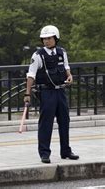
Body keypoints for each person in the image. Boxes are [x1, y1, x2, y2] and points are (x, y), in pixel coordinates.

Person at [23, 25, 79, 164]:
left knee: (64, 121)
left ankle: (66, 151)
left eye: (49, 38)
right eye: (44, 39)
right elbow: (31, 75)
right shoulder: (38, 55)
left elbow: (66, 68)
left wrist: (70, 76)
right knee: (46, 123)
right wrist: (27, 93)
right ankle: (44, 153)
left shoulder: (62, 52)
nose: (46, 41)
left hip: (60, 90)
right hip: (46, 92)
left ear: (56, 38)